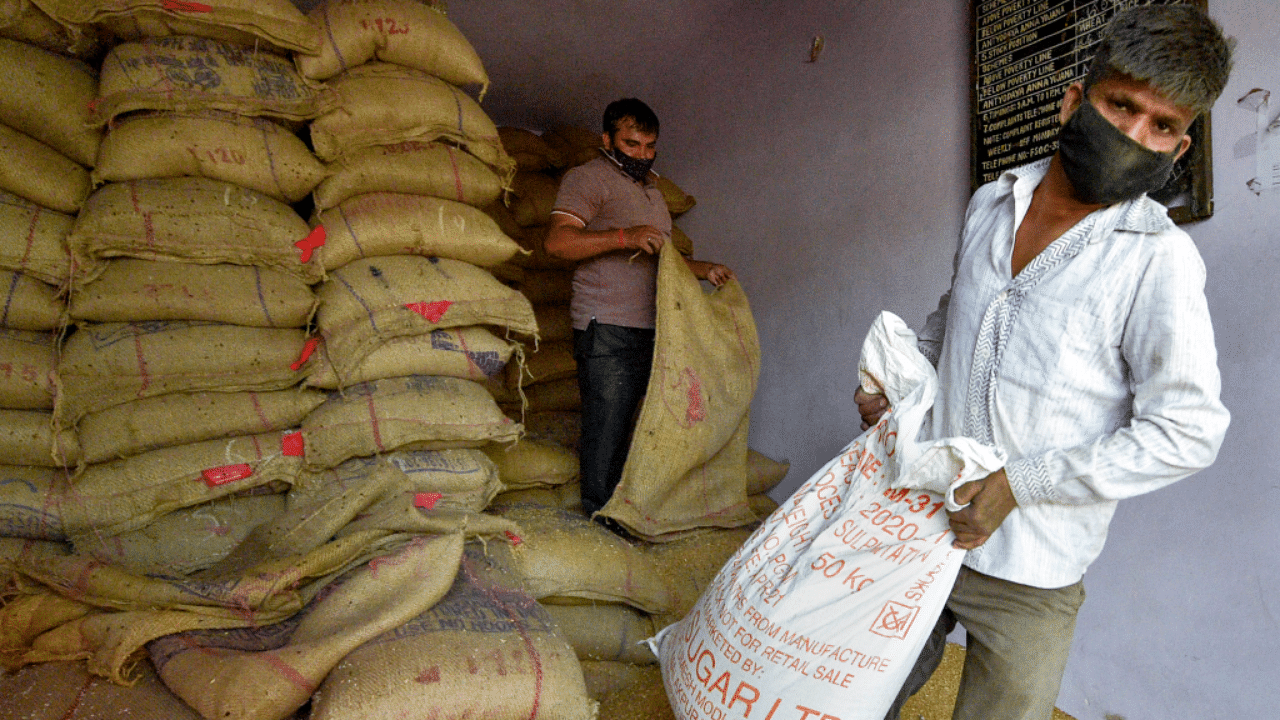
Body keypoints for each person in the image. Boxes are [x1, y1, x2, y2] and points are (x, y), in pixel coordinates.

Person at [857, 7, 1234, 719]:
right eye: (1122, 105)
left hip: (1033, 568)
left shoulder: (1158, 260)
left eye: (1161, 126)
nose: (1134, 136)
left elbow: (1188, 432)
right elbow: (955, 318)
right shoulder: (991, 204)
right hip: (924, 522)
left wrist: (1020, 484)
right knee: (855, 693)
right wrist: (899, 387)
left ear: (1178, 150)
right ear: (1074, 101)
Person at [545, 98, 735, 522]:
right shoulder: (587, 179)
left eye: (650, 147)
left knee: (652, 425)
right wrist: (623, 236)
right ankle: (601, 517)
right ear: (606, 139)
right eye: (632, 144)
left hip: (656, 327)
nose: (642, 155)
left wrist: (705, 270)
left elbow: (661, 260)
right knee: (607, 428)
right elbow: (557, 243)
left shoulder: (652, 190)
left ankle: (635, 510)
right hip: (606, 325)